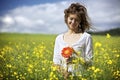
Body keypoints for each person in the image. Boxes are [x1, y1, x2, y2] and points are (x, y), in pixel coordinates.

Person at [53, 2, 93, 79]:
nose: (73, 22)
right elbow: (56, 62)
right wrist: (64, 73)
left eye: (77, 20)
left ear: (80, 21)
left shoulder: (86, 37)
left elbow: (90, 63)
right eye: (71, 18)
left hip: (80, 77)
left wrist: (76, 58)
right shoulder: (59, 38)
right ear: (66, 18)